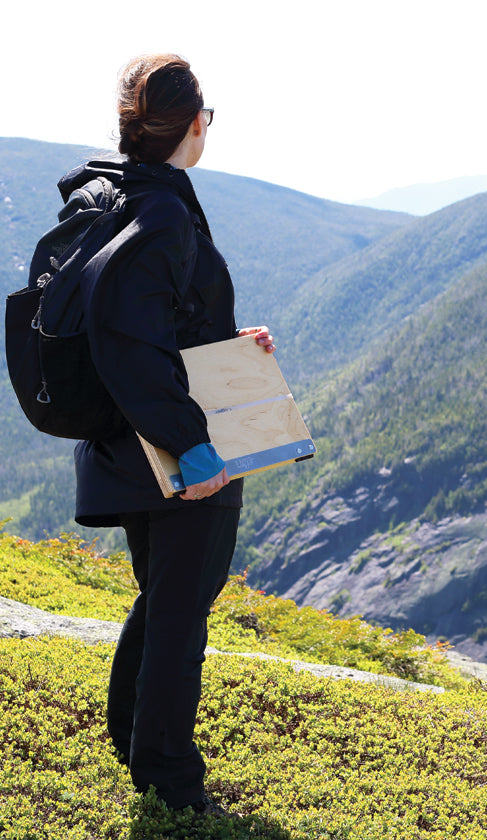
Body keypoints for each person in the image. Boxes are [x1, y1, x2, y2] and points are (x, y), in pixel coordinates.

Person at [66, 54, 274, 815]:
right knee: (181, 618)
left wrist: (225, 338)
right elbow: (130, 342)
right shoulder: (160, 215)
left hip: (137, 442)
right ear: (194, 124)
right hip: (182, 453)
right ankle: (172, 785)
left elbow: (155, 320)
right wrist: (192, 445)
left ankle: (136, 745)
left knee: (164, 603)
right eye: (207, 118)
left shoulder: (121, 197)